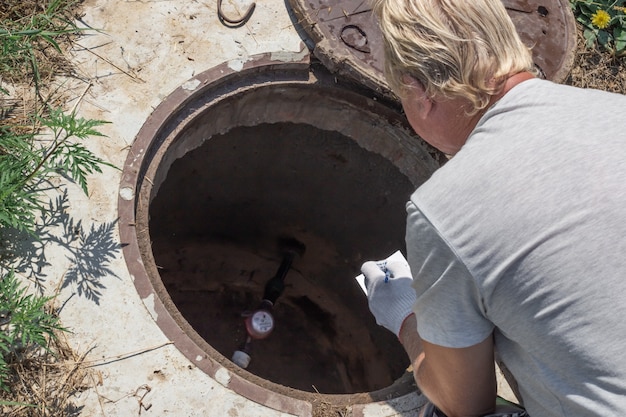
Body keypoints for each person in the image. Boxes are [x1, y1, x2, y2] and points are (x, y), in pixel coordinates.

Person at [360, 1, 626, 416]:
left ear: (419, 94)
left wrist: (404, 319)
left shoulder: (445, 210)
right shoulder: (615, 112)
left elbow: (463, 402)